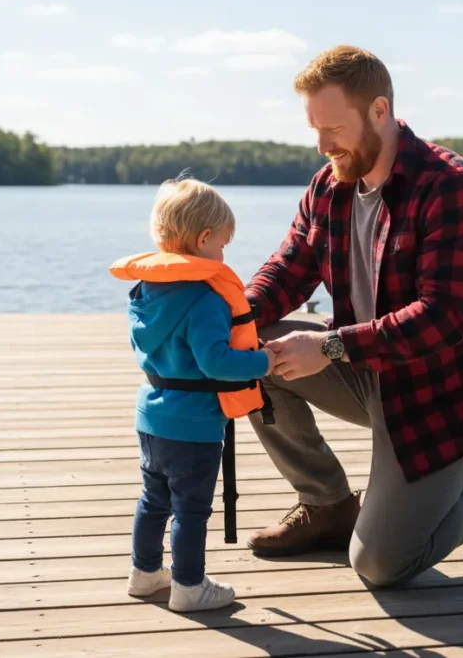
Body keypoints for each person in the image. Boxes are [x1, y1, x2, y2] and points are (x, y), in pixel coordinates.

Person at [242, 45, 463, 587]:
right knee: (249, 347)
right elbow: (289, 267)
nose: (322, 146)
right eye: (315, 129)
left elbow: (443, 318)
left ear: (380, 111)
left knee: (382, 563)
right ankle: (328, 507)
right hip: (371, 369)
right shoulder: (329, 185)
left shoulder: (451, 187)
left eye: (334, 128)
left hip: (448, 396)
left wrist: (331, 347)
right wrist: (223, 318)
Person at [110, 177, 277, 611]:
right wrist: (264, 362)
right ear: (204, 240)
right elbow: (216, 363)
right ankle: (188, 586)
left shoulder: (146, 291)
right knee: (190, 509)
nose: (223, 255)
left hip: (151, 416)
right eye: (222, 245)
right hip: (196, 424)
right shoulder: (205, 300)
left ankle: (144, 574)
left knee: (153, 501)